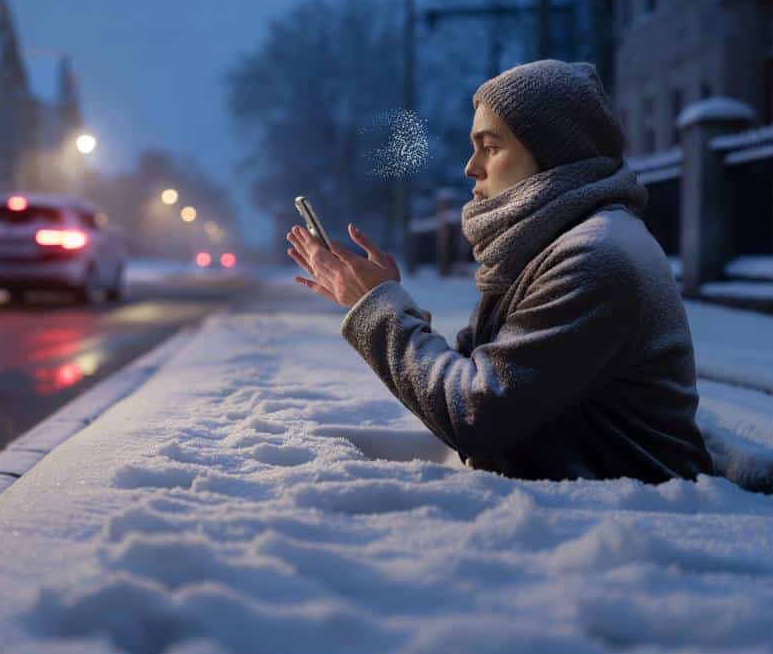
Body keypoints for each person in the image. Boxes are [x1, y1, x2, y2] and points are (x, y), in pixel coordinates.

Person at [286, 59, 714, 483]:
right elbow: (472, 381)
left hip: (630, 515)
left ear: (555, 154)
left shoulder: (594, 257)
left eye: (490, 147)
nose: (471, 167)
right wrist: (388, 299)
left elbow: (474, 416)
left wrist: (377, 307)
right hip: (582, 491)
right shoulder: (549, 245)